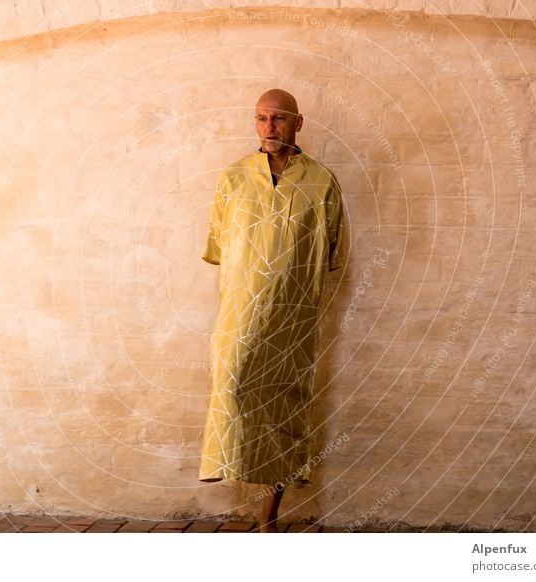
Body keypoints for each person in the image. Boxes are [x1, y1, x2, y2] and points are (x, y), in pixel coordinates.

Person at [198, 89, 346, 532]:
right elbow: (221, 247)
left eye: (279, 119)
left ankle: (268, 517)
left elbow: (334, 249)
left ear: (298, 123)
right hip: (241, 310)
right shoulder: (234, 178)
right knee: (233, 386)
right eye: (261, 118)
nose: (269, 127)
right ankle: (243, 490)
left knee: (283, 403)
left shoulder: (322, 182)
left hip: (293, 314)